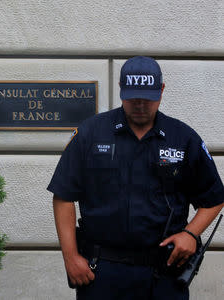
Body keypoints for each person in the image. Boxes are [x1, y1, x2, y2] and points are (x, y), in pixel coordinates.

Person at [47, 56, 224, 300]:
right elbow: (63, 196)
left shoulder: (183, 139)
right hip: (102, 272)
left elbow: (214, 197)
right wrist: (70, 257)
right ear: (121, 89)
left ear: (161, 91)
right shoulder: (91, 133)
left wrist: (191, 234)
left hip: (164, 274)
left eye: (147, 98)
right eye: (133, 98)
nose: (140, 105)